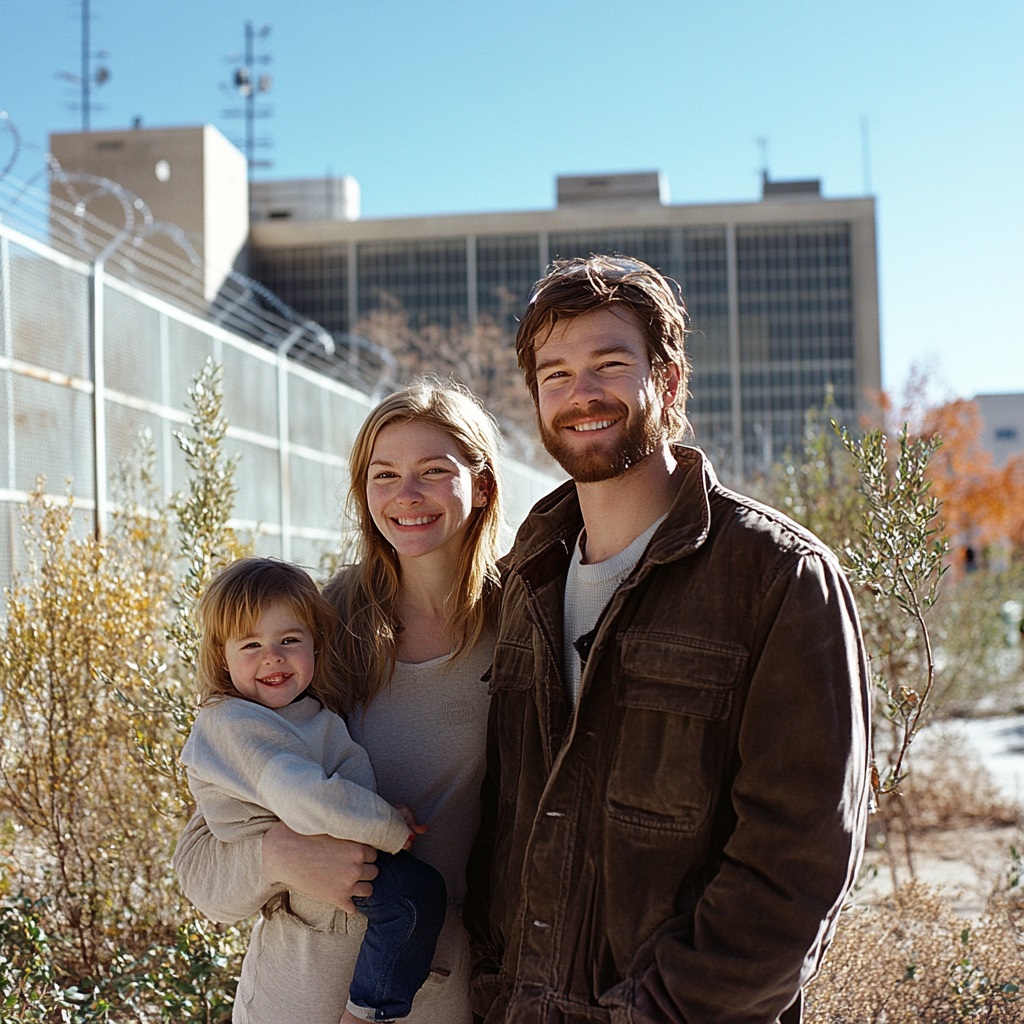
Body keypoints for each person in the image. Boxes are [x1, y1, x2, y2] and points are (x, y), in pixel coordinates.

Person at [464, 255, 873, 1024]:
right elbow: (504, 820)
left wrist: (661, 1010)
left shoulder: (777, 577)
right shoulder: (527, 577)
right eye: (556, 375)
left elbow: (799, 862)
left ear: (670, 380)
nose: (580, 395)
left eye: (609, 365)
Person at [173, 379, 504, 1024]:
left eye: (432, 471)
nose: (406, 496)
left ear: (483, 484)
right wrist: (283, 855)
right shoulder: (320, 630)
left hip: (428, 991)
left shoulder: (523, 629)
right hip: (294, 987)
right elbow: (199, 860)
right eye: (384, 476)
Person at [180, 557, 448, 1024]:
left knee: (415, 900)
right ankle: (370, 1009)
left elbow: (340, 784)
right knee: (413, 899)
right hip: (304, 915)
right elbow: (303, 797)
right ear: (220, 655)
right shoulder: (233, 722)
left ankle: (372, 1004)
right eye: (251, 645)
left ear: (316, 645)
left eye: (289, 641)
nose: (273, 657)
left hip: (344, 868)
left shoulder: (310, 715)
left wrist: (379, 814)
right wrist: (388, 826)